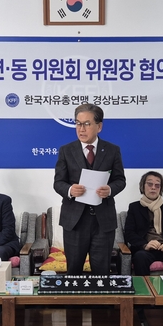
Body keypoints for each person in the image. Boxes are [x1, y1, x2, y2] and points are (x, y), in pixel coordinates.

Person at [53, 103, 126, 275]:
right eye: (78, 123)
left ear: (99, 126)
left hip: (103, 221)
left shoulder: (112, 150)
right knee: (74, 272)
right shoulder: (66, 150)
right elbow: (58, 183)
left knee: (101, 272)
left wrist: (110, 190)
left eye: (87, 124)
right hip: (75, 221)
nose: (81, 129)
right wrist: (70, 190)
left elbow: (120, 180)